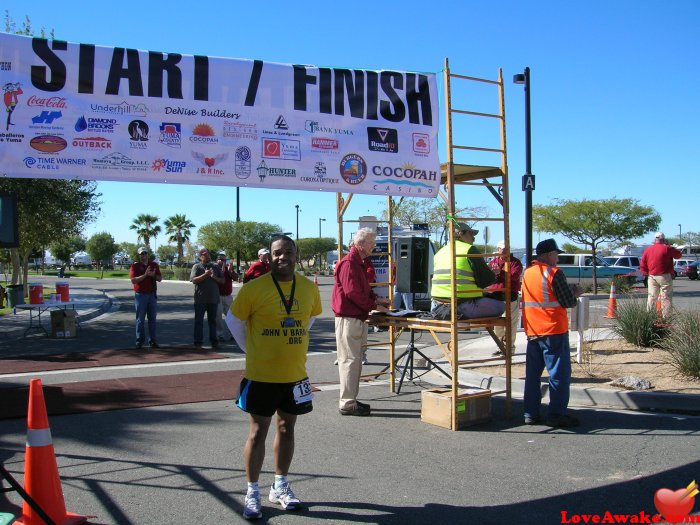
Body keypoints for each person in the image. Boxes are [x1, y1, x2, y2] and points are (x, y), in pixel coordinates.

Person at [225, 235, 321, 520]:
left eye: (288, 252)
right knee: (257, 433)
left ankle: (280, 486)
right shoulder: (254, 289)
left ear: (296, 254)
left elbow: (309, 320)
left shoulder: (308, 288)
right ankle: (252, 491)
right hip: (261, 374)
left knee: (287, 429)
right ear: (270, 256)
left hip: (295, 375)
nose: (283, 257)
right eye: (278, 253)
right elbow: (233, 321)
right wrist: (252, 349)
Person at [521, 238, 582, 428]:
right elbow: (567, 301)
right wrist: (575, 293)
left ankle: (530, 413)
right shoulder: (554, 273)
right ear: (549, 255)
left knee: (532, 375)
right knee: (558, 375)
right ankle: (556, 415)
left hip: (533, 331)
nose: (557, 257)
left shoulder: (527, 273)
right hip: (553, 330)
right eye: (556, 254)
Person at [332, 227, 390, 416]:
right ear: (362, 243)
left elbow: (359, 290)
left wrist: (377, 300)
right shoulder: (350, 263)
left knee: (354, 360)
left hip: (355, 317)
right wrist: (374, 303)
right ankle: (348, 403)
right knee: (350, 361)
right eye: (372, 243)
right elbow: (352, 293)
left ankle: (351, 400)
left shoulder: (357, 262)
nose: (374, 246)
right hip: (349, 318)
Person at [430, 222, 504, 319]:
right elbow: (485, 280)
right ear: (461, 233)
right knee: (501, 306)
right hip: (461, 306)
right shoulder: (469, 250)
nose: (474, 238)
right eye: (471, 234)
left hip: (436, 306)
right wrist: (494, 273)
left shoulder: (440, 252)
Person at [486, 240, 523, 355]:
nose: (504, 251)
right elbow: (488, 275)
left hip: (510, 296)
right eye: (502, 249)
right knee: (498, 324)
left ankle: (509, 348)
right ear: (498, 249)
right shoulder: (493, 262)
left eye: (507, 249)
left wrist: (499, 273)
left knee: (510, 323)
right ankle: (500, 346)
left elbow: (514, 275)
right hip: (496, 296)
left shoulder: (515, 262)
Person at [640, 232, 682, 318]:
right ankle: (666, 317)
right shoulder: (667, 248)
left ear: (654, 240)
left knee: (652, 296)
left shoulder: (648, 249)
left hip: (651, 276)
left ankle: (649, 317)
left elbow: (643, 263)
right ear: (663, 239)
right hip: (664, 276)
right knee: (666, 297)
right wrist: (670, 246)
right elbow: (679, 255)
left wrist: (645, 272)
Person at [190, 248, 224, 348]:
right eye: (204, 255)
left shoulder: (215, 266)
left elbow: (222, 281)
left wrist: (213, 276)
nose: (207, 256)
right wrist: (205, 274)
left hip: (213, 299)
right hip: (200, 299)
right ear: (201, 257)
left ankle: (214, 342)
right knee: (199, 321)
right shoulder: (197, 266)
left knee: (212, 321)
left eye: (208, 254)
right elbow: (194, 280)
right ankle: (198, 342)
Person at [129, 246, 162, 349]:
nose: (143, 255)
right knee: (140, 319)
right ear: (139, 256)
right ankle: (139, 341)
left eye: (145, 253)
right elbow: (133, 280)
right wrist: (145, 275)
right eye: (141, 254)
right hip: (140, 296)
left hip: (151, 295)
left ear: (148, 254)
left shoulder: (154, 265)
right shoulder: (135, 266)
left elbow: (160, 278)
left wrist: (152, 275)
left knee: (152, 319)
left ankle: (153, 341)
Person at [215, 252, 238, 341]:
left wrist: (231, 271)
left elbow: (236, 278)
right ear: (217, 260)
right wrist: (222, 269)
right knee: (218, 316)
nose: (223, 261)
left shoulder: (228, 269)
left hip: (228, 296)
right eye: (221, 259)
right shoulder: (215, 268)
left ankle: (232, 333)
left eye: (224, 259)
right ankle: (219, 334)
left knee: (231, 316)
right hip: (218, 296)